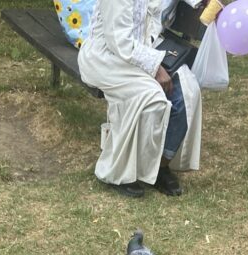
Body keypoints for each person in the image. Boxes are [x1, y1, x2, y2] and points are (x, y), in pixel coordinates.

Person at [77, 0, 203, 197]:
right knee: (151, 98)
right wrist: (155, 67)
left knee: (189, 90)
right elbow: (119, 41)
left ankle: (160, 165)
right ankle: (118, 173)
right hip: (107, 57)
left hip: (147, 49)